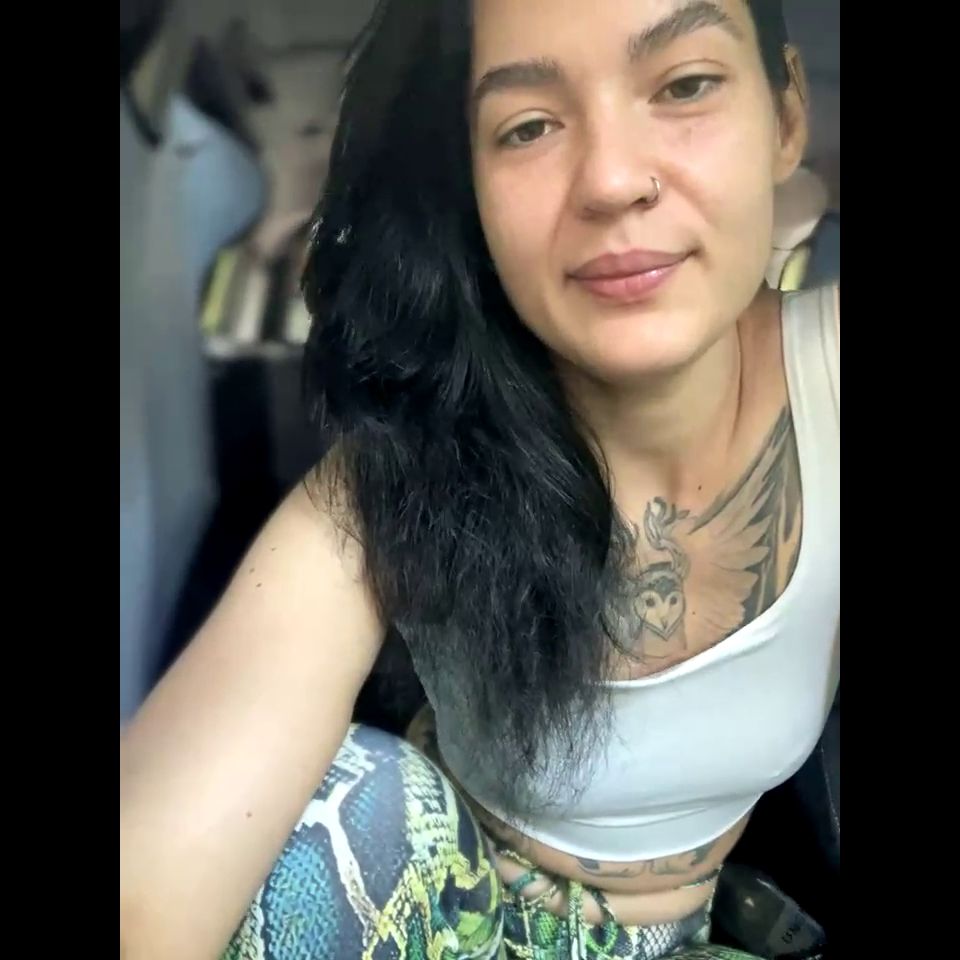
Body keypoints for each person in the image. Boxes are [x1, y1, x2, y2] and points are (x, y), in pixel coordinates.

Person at [119, 0, 839, 956]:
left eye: (685, 85)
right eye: (528, 126)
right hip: (441, 916)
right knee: (352, 801)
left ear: (785, 116)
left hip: (698, 934)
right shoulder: (396, 471)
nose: (613, 180)